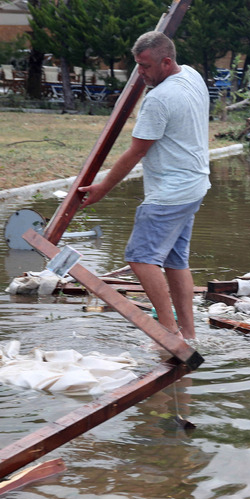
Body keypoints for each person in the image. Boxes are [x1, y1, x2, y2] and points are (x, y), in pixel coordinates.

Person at [77, 31, 211, 340]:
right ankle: (187, 334)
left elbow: (137, 150)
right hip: (194, 185)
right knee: (176, 261)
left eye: (146, 66)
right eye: (137, 65)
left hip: (171, 192)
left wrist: (102, 188)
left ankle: (167, 331)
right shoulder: (191, 75)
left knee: (140, 257)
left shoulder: (160, 98)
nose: (140, 74)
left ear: (166, 62)